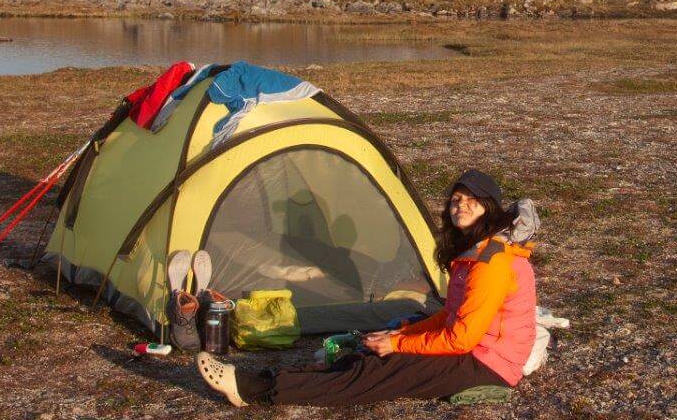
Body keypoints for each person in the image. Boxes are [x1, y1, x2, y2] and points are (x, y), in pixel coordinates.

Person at [196, 169, 538, 407]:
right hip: (473, 351)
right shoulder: (474, 252)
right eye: (455, 200)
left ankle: (255, 389)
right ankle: (262, 379)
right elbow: (450, 316)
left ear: (489, 208)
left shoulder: (491, 262)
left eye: (471, 201)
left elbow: (461, 338)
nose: (460, 206)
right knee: (369, 353)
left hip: (488, 365)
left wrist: (398, 343)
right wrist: (403, 332)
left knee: (378, 373)